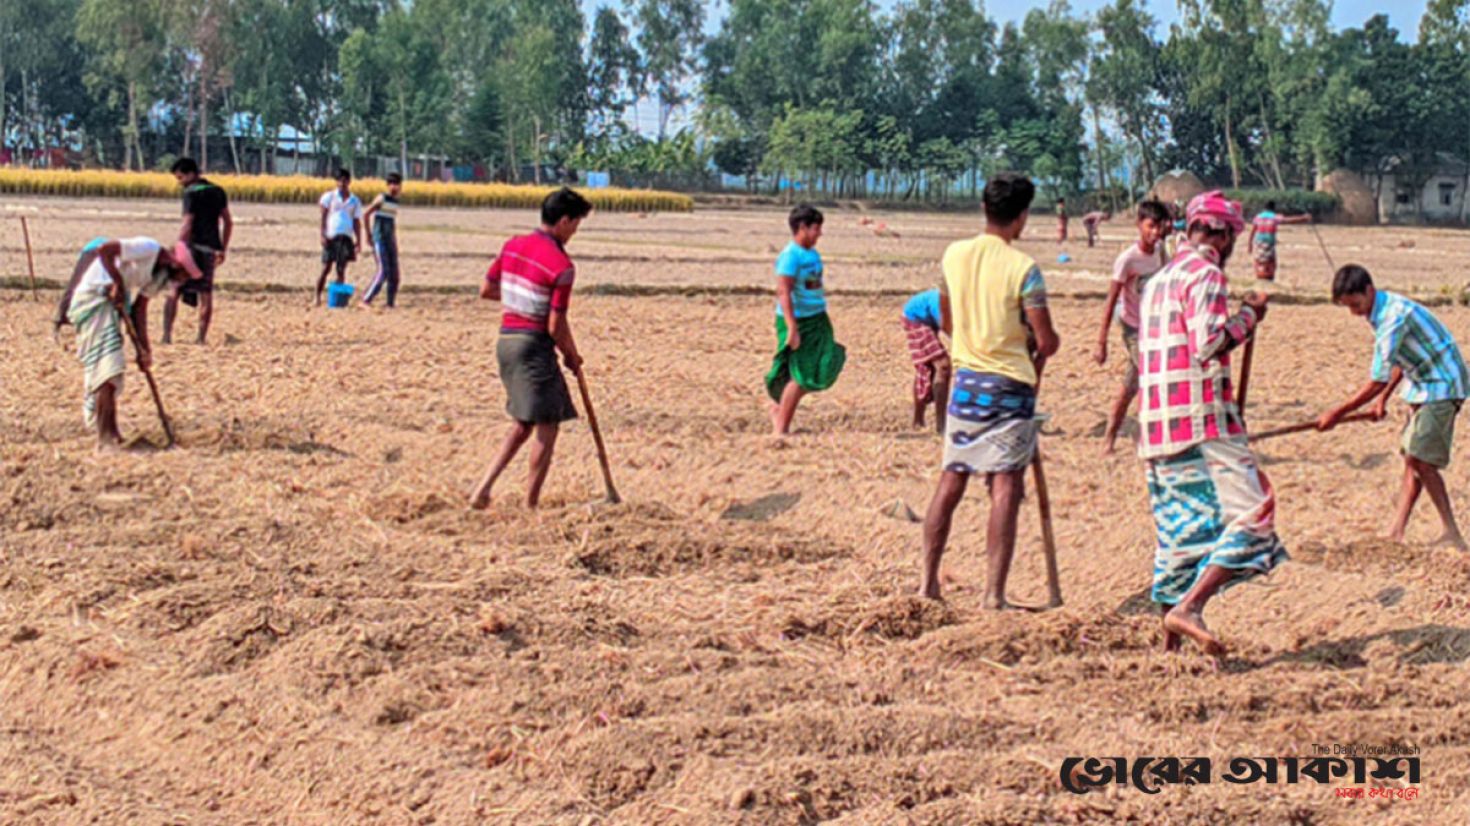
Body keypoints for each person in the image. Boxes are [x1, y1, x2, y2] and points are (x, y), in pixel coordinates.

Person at [1136, 190, 1287, 657]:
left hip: (1158, 427)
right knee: (1255, 515)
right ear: (1219, 235)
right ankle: (1190, 608)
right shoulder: (1206, 275)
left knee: (1179, 532)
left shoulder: (1158, 280)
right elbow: (1209, 343)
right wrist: (1249, 317)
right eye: (1231, 238)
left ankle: (1169, 645)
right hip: (1202, 422)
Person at [918, 173, 1060, 607]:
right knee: (1005, 485)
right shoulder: (1023, 269)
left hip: (966, 384)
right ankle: (993, 594)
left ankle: (927, 584)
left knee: (952, 477)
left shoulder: (954, 255)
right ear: (1021, 218)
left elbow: (947, 321)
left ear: (984, 209)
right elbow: (1046, 337)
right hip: (1009, 387)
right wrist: (1037, 341)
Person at [1318, 265, 1469, 550]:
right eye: (1348, 307)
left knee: (1420, 459)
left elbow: (1378, 378)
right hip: (1424, 382)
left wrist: (1337, 413)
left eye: (1356, 304)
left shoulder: (1391, 318)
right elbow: (1400, 359)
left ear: (1369, 290)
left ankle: (1451, 532)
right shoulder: (1379, 310)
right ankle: (1396, 531)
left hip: (1442, 384)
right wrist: (1382, 401)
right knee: (1413, 459)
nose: (1354, 312)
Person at [470, 188, 593, 510]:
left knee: (524, 423)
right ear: (564, 221)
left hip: (506, 342)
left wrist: (520, 299)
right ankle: (530, 505)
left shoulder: (513, 245)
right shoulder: (562, 265)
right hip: (532, 346)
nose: (575, 232)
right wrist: (571, 355)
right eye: (576, 225)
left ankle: (482, 490)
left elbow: (487, 290)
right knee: (547, 425)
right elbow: (555, 325)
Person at [65, 238, 202, 449]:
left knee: (113, 370)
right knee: (108, 368)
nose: (182, 281)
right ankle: (105, 436)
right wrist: (118, 283)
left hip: (111, 306)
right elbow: (105, 251)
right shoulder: (148, 247)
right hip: (94, 300)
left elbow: (139, 309)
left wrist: (144, 350)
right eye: (184, 275)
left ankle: (113, 433)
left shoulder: (158, 277)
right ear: (176, 263)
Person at [1094, 200, 1170, 454]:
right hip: (1133, 327)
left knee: (1131, 385)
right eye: (1150, 226)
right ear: (1139, 225)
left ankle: (1110, 437)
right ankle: (1144, 437)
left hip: (1154, 326)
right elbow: (1111, 299)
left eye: (1159, 227)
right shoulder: (1127, 260)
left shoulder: (1161, 252)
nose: (1155, 232)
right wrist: (1101, 341)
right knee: (1151, 377)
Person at [765, 204, 846, 437]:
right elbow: (784, 292)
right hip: (800, 322)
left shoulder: (812, 254)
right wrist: (792, 328)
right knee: (801, 375)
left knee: (824, 366)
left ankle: (780, 412)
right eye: (816, 228)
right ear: (802, 227)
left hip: (817, 318)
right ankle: (780, 430)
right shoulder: (790, 257)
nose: (820, 234)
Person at [165, 157, 231, 344]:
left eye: (181, 178)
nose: (180, 182)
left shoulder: (191, 193)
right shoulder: (218, 191)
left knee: (175, 289)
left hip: (191, 247)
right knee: (206, 293)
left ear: (191, 174)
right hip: (210, 249)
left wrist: (179, 246)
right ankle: (201, 338)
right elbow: (228, 222)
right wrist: (222, 248)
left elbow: (187, 223)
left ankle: (166, 335)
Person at [901, 288, 950, 433]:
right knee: (943, 366)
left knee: (928, 367)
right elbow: (952, 331)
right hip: (915, 318)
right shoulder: (944, 304)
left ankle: (919, 421)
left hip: (928, 319)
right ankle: (941, 425)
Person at [315, 168, 363, 306]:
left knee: (341, 270)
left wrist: (358, 241)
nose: (342, 183)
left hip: (346, 237)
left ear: (349, 182)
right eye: (340, 181)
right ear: (336, 182)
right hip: (331, 236)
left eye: (345, 180)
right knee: (326, 268)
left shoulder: (354, 201)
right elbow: (323, 217)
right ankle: (317, 297)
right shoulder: (329, 197)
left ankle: (338, 299)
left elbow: (356, 222)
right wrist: (322, 235)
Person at [362, 173, 403, 308]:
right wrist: (368, 234)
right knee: (383, 270)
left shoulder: (395, 201)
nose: (394, 187)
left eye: (397, 184)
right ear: (388, 185)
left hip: (390, 238)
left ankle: (390, 302)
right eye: (392, 184)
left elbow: (391, 222)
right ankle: (366, 300)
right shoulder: (382, 198)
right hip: (380, 239)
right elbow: (366, 214)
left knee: (394, 273)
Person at [1248, 200, 1311, 281]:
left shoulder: (1258, 217)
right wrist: (1303, 218)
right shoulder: (1274, 217)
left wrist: (1250, 244)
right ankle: (1268, 277)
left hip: (1259, 243)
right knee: (1270, 262)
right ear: (1273, 209)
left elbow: (1253, 231)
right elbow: (1289, 220)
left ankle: (1259, 276)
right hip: (1269, 243)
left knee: (1259, 260)